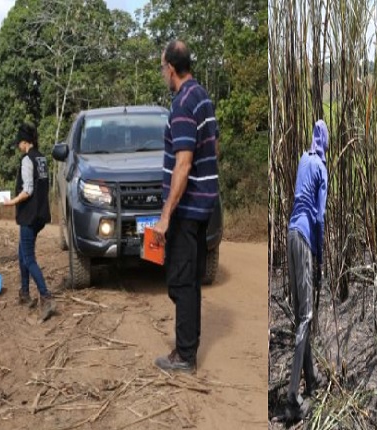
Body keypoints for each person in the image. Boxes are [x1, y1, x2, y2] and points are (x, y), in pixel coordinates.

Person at [152, 40, 220, 374]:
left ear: (171, 68)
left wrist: (166, 215)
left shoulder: (182, 104)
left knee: (181, 281)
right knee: (190, 279)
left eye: (162, 67)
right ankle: (187, 347)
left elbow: (183, 163)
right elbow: (214, 147)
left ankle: (185, 355)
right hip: (202, 206)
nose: (163, 73)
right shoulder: (202, 96)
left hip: (187, 210)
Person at [281, 120, 329, 423]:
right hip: (303, 239)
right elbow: (320, 217)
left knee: (302, 313)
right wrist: (321, 257)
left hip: (289, 235)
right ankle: (292, 399)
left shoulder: (302, 158)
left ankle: (310, 379)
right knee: (306, 317)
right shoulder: (322, 168)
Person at [2, 122, 55, 320]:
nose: (18, 147)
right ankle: (24, 293)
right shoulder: (41, 158)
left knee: (28, 258)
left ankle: (46, 296)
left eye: (19, 143)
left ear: (25, 142)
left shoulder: (27, 159)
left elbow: (28, 189)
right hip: (41, 213)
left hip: (30, 215)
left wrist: (11, 202)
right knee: (21, 252)